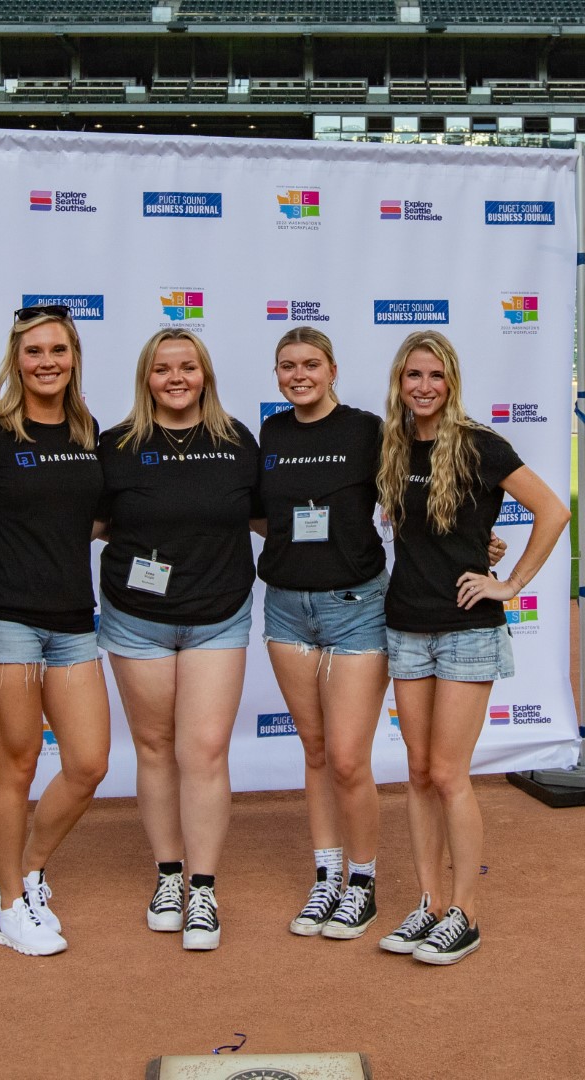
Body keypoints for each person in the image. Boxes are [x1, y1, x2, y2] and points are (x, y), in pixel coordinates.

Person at [374, 329, 569, 965]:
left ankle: (465, 912)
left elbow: (552, 510)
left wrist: (507, 582)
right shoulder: (394, 447)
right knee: (418, 773)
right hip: (405, 624)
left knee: (450, 774)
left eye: (434, 375)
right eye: (412, 376)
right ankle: (428, 904)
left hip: (465, 630)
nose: (423, 387)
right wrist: (481, 545)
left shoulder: (482, 445)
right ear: (399, 383)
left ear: (451, 381)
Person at [97, 328, 260, 951]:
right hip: (136, 617)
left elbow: (274, 516)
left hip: (218, 614)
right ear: (146, 377)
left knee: (206, 749)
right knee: (155, 745)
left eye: (187, 367)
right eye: (162, 368)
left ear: (205, 374)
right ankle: (169, 875)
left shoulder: (236, 440)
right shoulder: (116, 445)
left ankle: (204, 889)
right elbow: (82, 521)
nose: (175, 378)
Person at [0, 304, 109, 957]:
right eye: (34, 352)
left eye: (58, 351)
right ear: (16, 360)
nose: (47, 362)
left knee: (88, 764)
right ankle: (10, 907)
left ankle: (28, 869)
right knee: (16, 765)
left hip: (74, 621)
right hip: (5, 621)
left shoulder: (86, 427)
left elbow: (93, 519)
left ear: (73, 357)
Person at [256, 327, 390, 940]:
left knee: (346, 757)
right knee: (313, 751)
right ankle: (325, 876)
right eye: (288, 366)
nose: (299, 375)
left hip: (356, 605)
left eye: (311, 364)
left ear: (332, 369)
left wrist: (480, 542)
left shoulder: (366, 430)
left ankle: (361, 882)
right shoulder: (273, 433)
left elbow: (409, 499)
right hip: (285, 607)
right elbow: (264, 514)